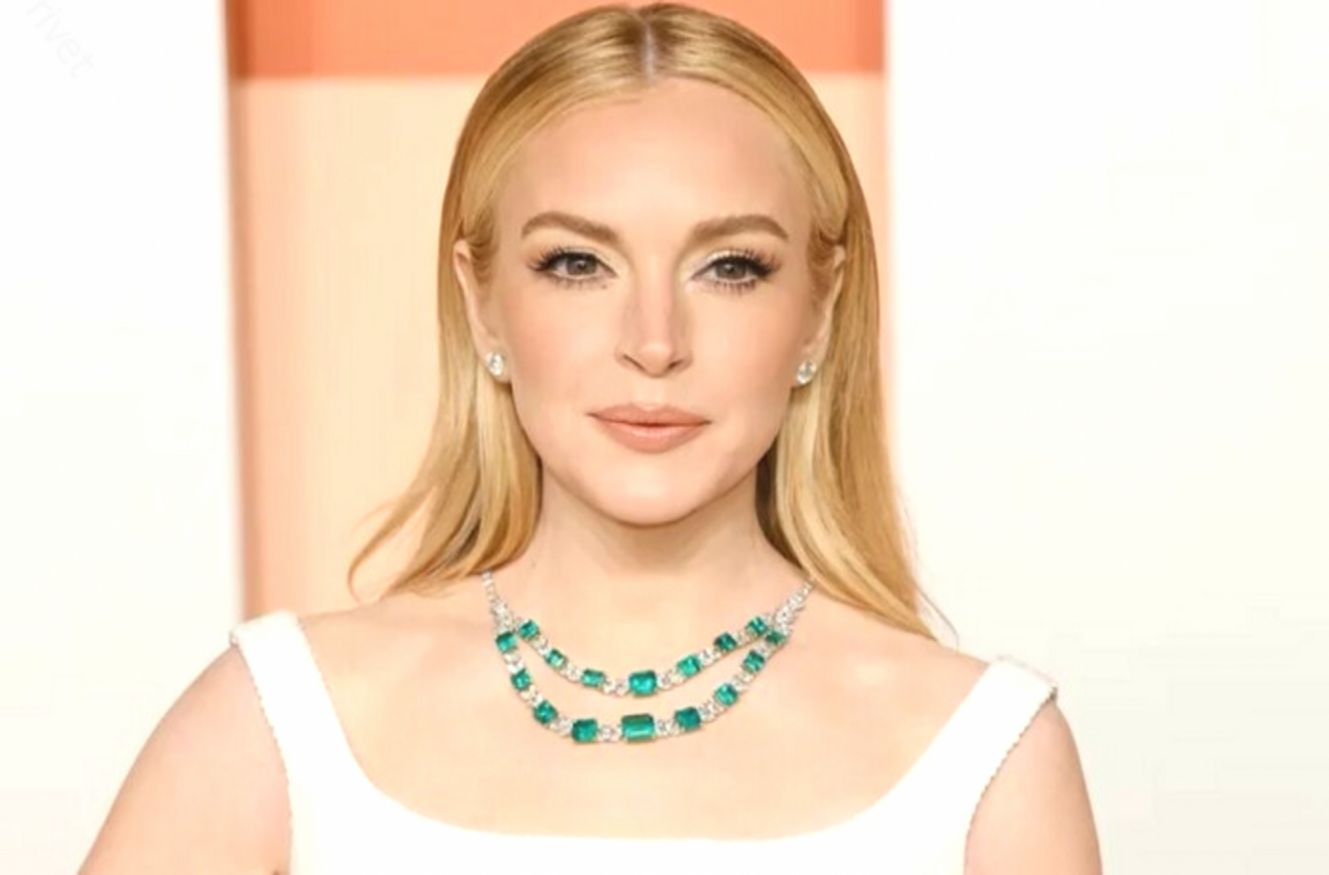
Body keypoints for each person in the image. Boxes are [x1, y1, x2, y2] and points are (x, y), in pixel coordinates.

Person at [80, 3, 1101, 872]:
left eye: (731, 267)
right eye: (576, 263)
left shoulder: (988, 761)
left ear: (819, 313)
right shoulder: (277, 726)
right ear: (482, 302)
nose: (654, 342)